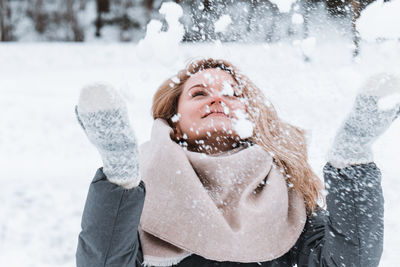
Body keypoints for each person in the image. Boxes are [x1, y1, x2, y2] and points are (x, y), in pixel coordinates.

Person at [75, 58, 400, 267]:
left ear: (251, 114)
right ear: (173, 119)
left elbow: (348, 262)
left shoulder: (285, 190)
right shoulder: (139, 188)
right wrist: (119, 175)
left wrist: (351, 161)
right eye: (199, 94)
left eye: (231, 93)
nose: (217, 99)